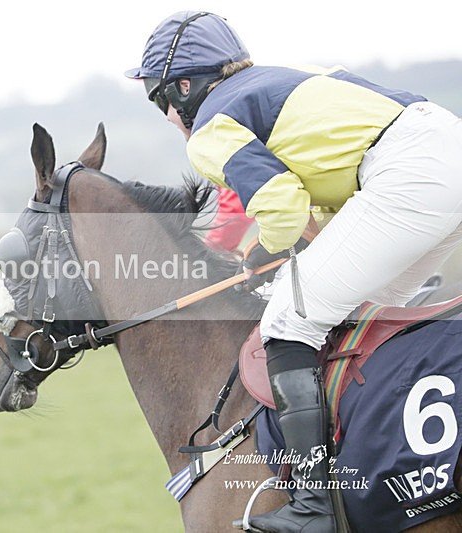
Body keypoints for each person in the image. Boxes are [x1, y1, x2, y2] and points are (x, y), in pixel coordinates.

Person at [126, 11, 462, 533]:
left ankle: (312, 505)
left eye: (159, 99)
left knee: (286, 321)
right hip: (439, 151)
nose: (168, 117)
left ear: (184, 87)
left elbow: (282, 209)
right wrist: (293, 251)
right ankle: (389, 467)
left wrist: (262, 253)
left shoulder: (210, 126)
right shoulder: (282, 79)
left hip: (408, 173)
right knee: (354, 317)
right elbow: (322, 202)